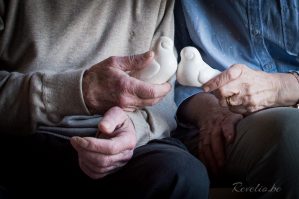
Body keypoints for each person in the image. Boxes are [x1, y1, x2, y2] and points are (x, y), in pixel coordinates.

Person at [0, 0, 209, 198]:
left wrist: (133, 127)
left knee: (182, 175)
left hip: (124, 144)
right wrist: (81, 91)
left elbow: (163, 93)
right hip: (24, 135)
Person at [174, 0, 299, 198]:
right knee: (292, 137)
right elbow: (170, 77)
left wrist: (281, 87)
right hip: (220, 120)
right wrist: (212, 110)